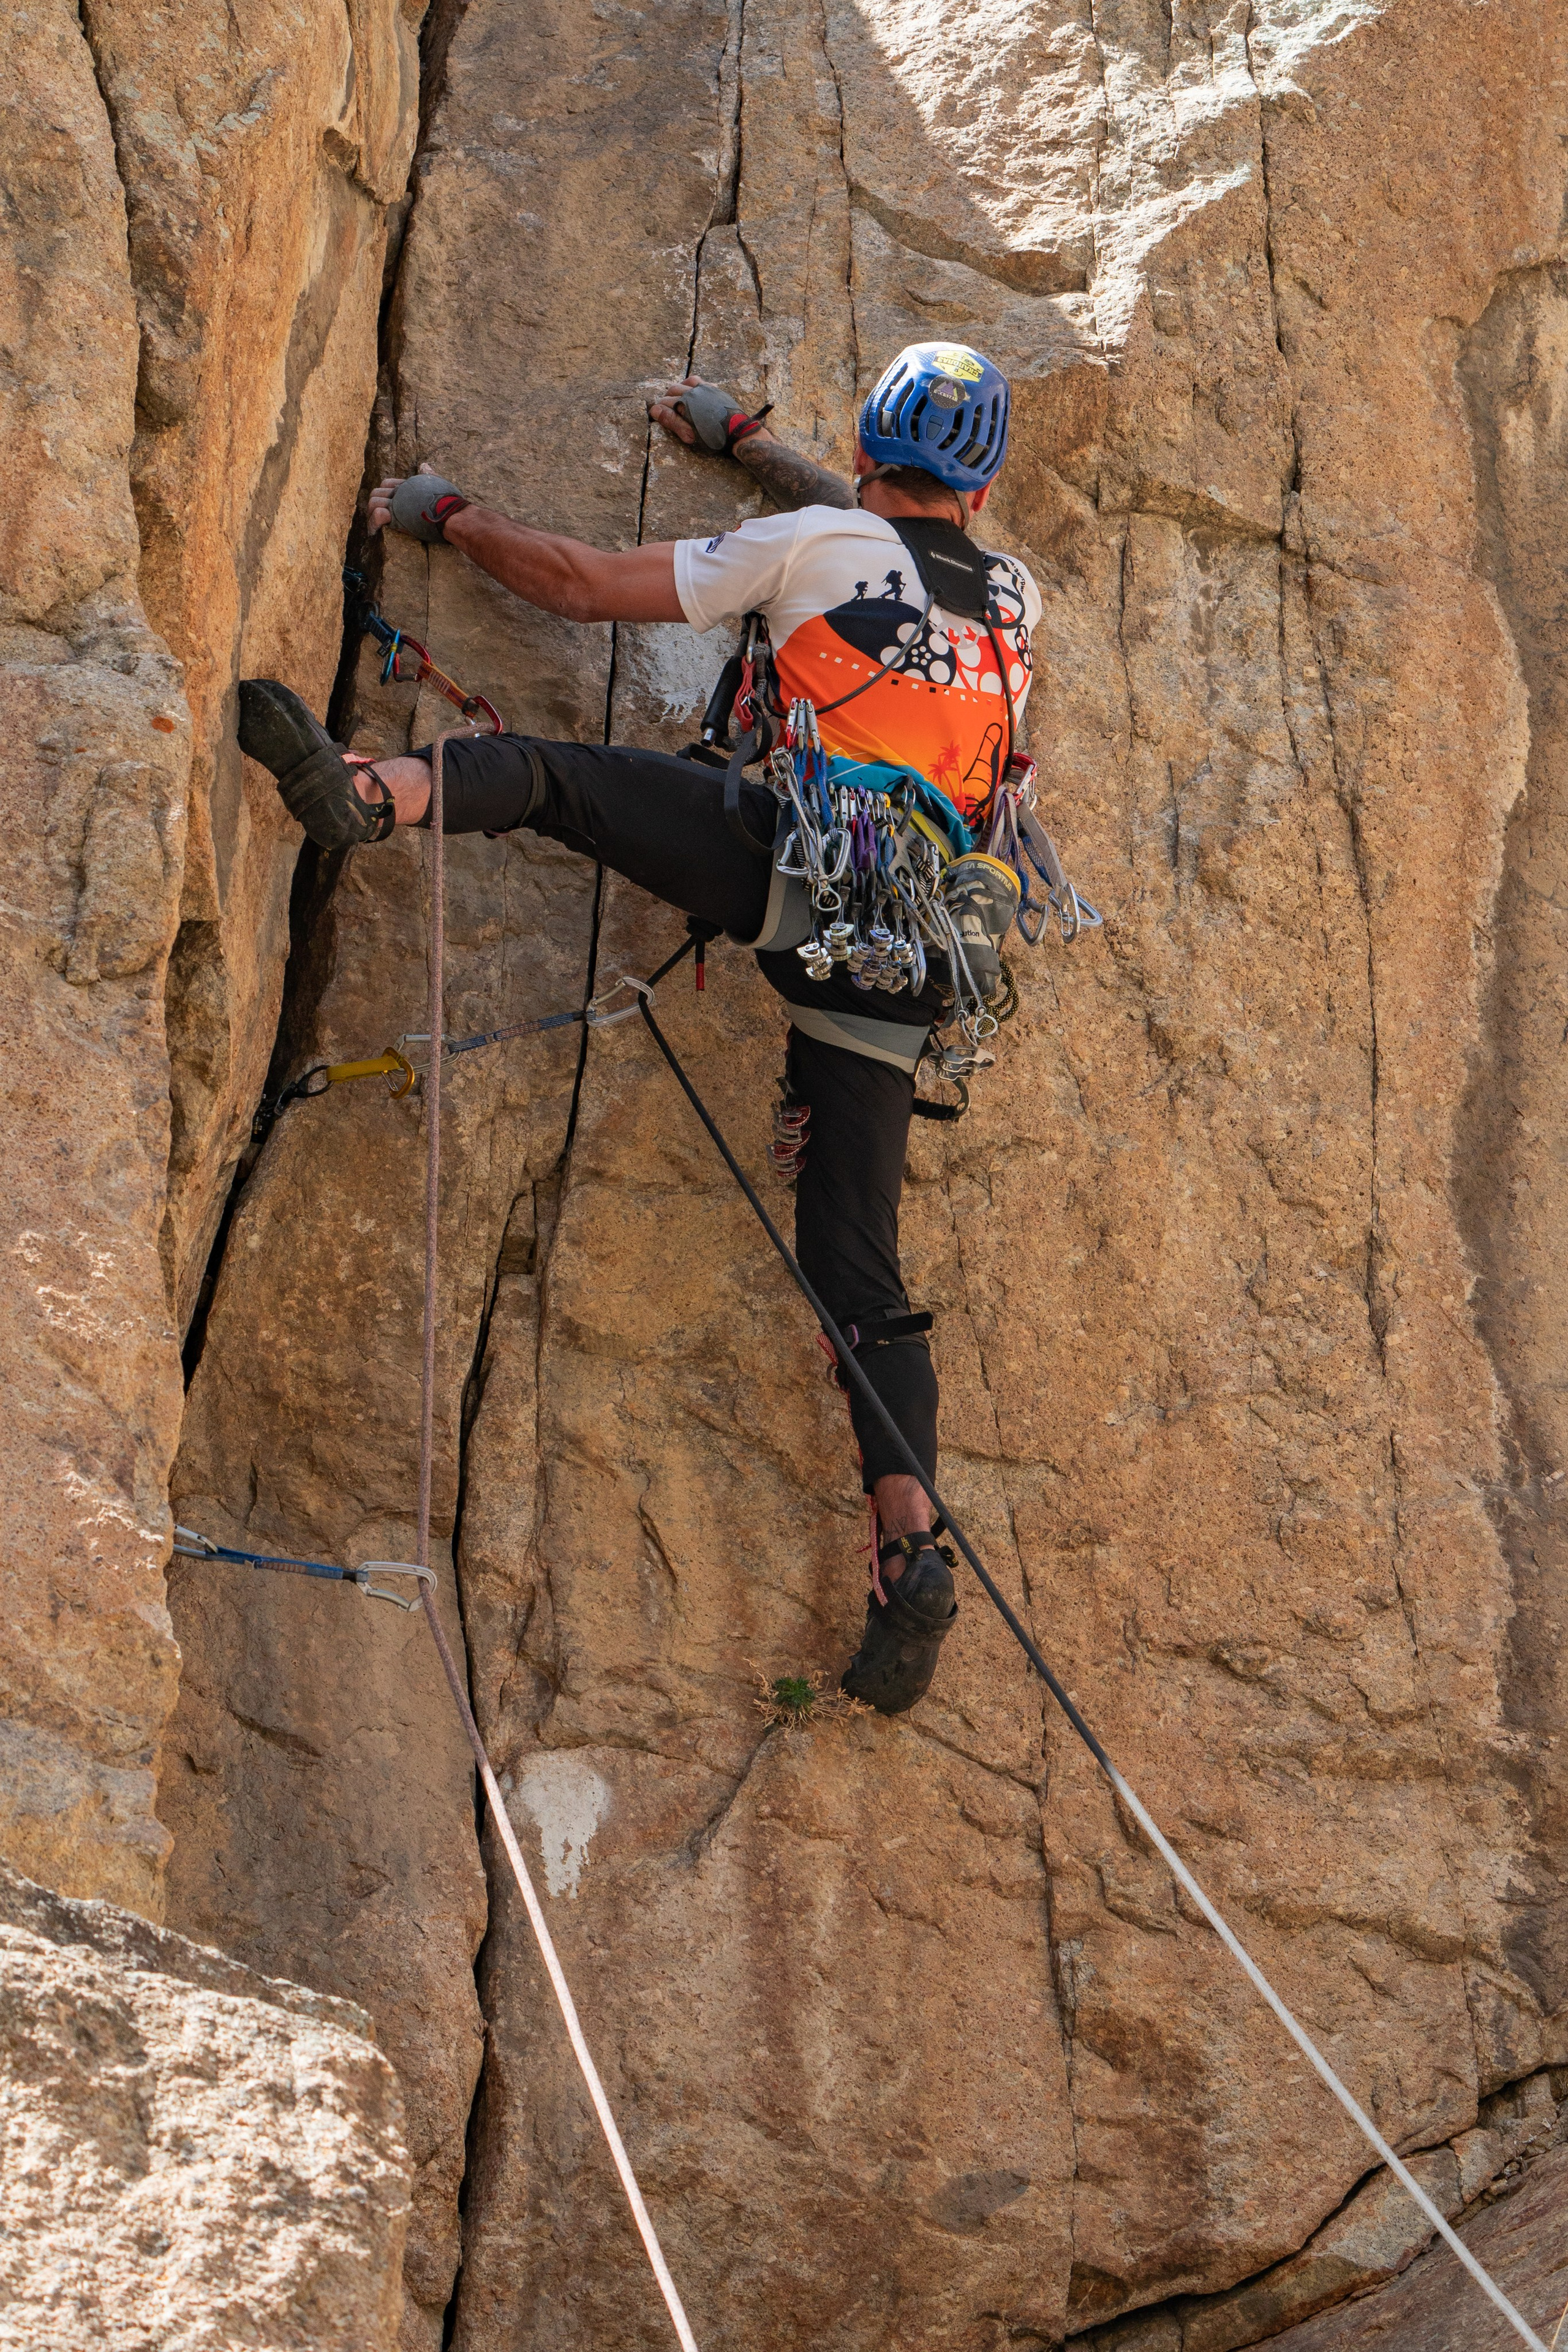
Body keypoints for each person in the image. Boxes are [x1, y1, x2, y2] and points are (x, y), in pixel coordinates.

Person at [236, 342, 1042, 1715]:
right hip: (916, 948)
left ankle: (374, 800)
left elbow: (576, 585)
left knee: (554, 778)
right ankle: (909, 1539)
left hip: (793, 863)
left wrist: (450, 516)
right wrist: (740, 441)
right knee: (856, 1261)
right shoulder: (1018, 599)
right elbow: (884, 533)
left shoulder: (809, 542)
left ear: (867, 442)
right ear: (982, 481)